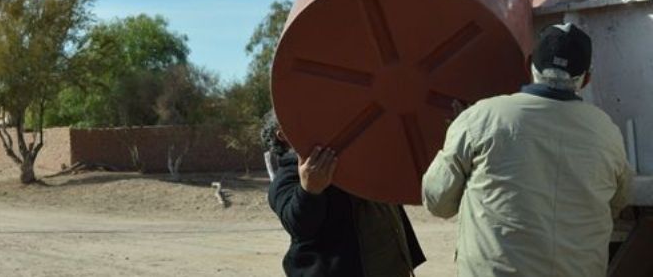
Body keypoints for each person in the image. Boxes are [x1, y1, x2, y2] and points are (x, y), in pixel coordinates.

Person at [422, 23, 632, 276]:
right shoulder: (607, 132)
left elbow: (438, 202)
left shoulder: (480, 118)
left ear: (528, 64)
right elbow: (617, 202)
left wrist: (458, 133)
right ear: (586, 78)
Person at [263, 114, 426, 276]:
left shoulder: (353, 157)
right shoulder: (286, 178)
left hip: (393, 267)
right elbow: (298, 225)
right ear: (282, 134)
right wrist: (309, 190)